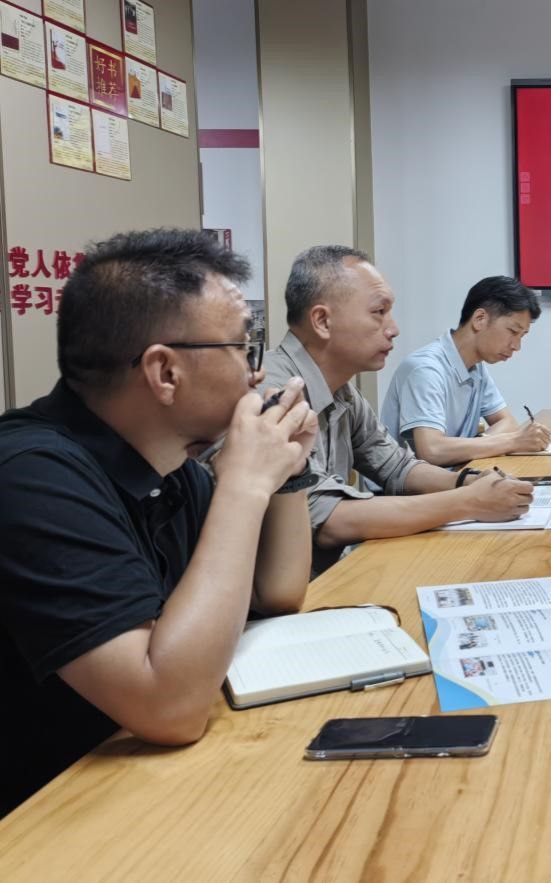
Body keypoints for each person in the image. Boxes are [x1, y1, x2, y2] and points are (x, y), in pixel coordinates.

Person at [0, 229, 318, 816]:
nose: (255, 375)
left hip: (141, 782)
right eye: (242, 347)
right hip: (48, 817)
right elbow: (168, 707)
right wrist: (245, 485)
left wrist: (287, 471)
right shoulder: (31, 475)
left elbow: (276, 592)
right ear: (164, 373)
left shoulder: (172, 469)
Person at [263, 247, 533, 569]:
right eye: (379, 312)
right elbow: (324, 518)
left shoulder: (343, 392)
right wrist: (467, 501)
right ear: (322, 321)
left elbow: (396, 465)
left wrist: (467, 482)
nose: (393, 328)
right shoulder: (274, 393)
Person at [380, 275, 550, 467]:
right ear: (479, 319)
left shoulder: (476, 368)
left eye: (522, 336)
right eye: (513, 331)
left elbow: (508, 423)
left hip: (451, 476)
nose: (516, 346)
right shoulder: (425, 369)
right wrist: (512, 442)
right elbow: (432, 450)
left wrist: (480, 444)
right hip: (408, 484)